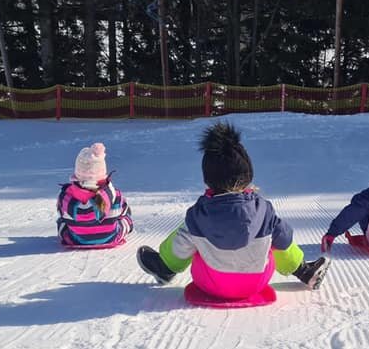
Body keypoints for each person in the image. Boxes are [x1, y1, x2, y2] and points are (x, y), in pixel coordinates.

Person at [137, 122, 328, 296]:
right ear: (247, 175)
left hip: (211, 285)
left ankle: (166, 267)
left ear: (208, 179)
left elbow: (181, 247)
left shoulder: (198, 214)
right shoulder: (264, 210)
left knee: (188, 231)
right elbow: (284, 241)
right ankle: (303, 271)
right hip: (256, 283)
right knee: (275, 235)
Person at [57, 142, 133, 248]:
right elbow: (121, 210)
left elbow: (61, 213)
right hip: (111, 237)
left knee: (61, 221)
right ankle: (120, 226)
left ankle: (80, 231)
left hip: (76, 240)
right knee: (124, 215)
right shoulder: (112, 194)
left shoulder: (66, 196)